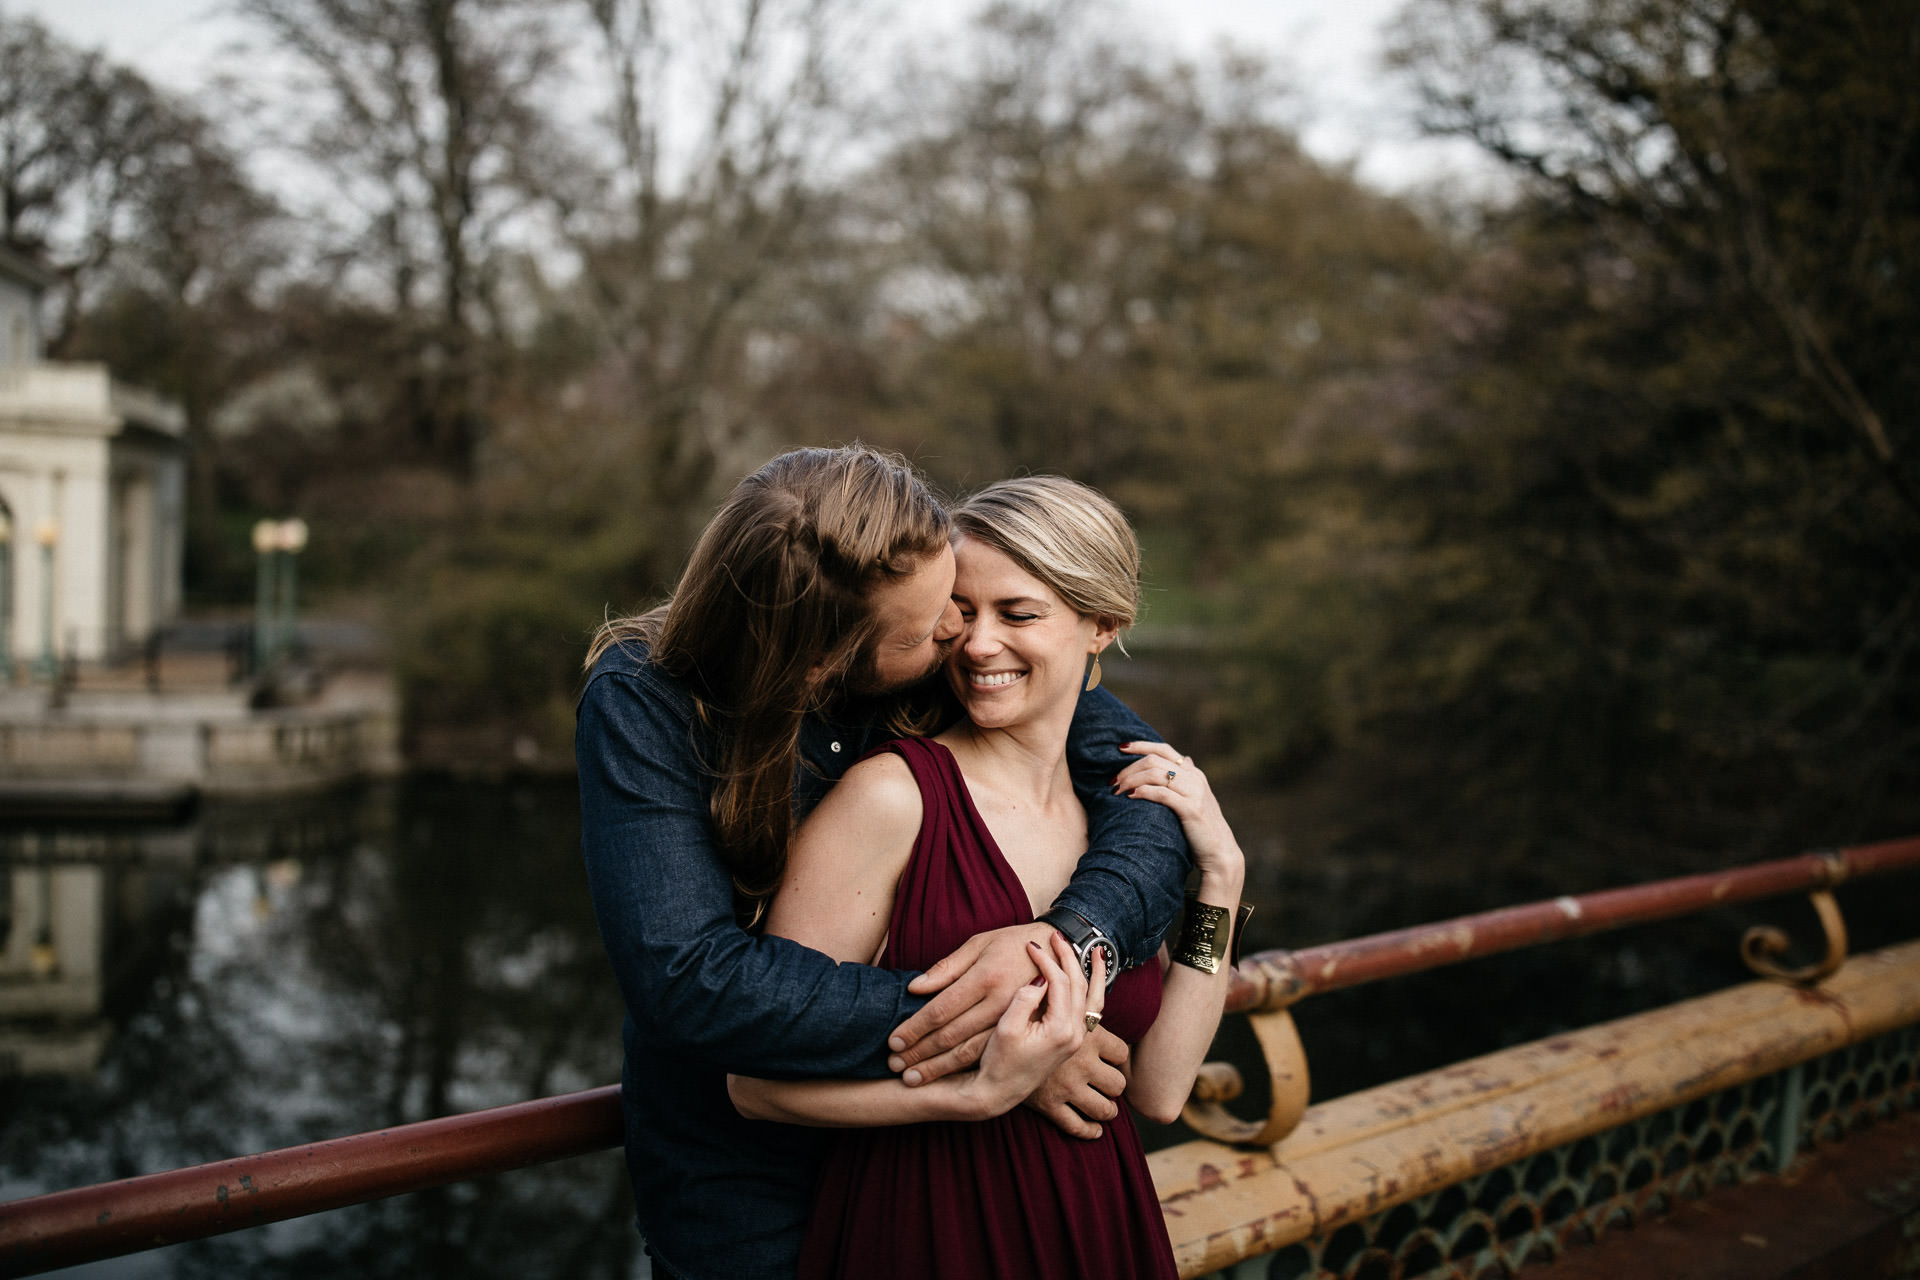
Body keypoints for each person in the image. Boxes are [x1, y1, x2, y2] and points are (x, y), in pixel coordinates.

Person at [575, 447, 1193, 1280]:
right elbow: (690, 981)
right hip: (748, 1185)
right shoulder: (645, 699)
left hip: (946, 1167)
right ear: (825, 659)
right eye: (938, 621)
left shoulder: (946, 650)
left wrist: (1065, 941)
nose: (961, 636)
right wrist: (1000, 1029)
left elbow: (1147, 799)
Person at [729, 476, 1248, 1279]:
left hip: (1098, 1225)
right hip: (926, 1229)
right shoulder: (891, 798)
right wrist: (982, 1087)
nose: (976, 645)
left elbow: (1161, 1089)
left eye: (1018, 614)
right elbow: (753, 1084)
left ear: (1103, 625)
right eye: (962, 612)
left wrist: (1220, 879)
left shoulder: (1116, 826)